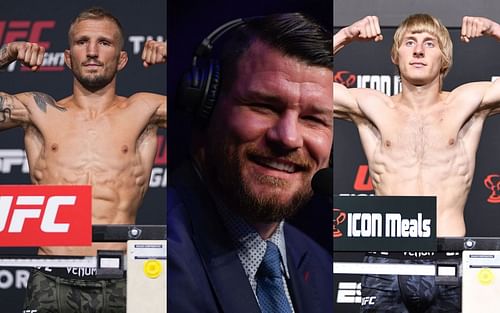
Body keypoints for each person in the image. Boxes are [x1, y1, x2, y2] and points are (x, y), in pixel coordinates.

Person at [0, 7, 166, 313]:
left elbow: (222, 114)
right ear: (67, 57)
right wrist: (7, 53)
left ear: (122, 58)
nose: (92, 51)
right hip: (53, 276)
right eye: (81, 42)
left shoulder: (145, 110)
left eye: (104, 43)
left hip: (125, 275)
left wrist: (176, 57)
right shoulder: (37, 110)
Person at [334, 14, 500, 312]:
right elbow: (302, 90)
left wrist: (495, 30)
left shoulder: (467, 103)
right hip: (387, 258)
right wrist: (344, 35)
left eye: (429, 43)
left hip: (450, 256)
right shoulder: (373, 106)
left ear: (444, 58)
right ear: (396, 55)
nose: (419, 50)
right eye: (409, 43)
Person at [168, 13, 333, 313]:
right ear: (206, 104)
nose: (288, 137)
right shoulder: (151, 259)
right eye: (264, 106)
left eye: (313, 119)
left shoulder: (323, 268)